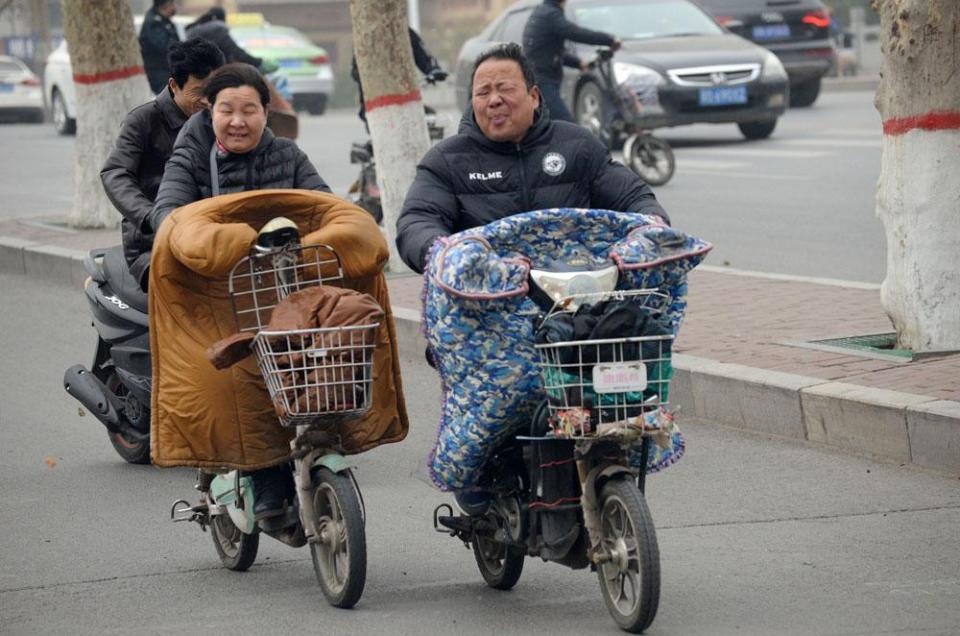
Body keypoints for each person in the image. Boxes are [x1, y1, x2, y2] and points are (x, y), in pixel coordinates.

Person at [149, 62, 330, 520]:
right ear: (209, 113)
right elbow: (168, 216)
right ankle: (266, 480)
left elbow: (325, 205)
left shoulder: (289, 156)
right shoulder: (189, 158)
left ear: (266, 113)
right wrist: (216, 242)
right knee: (244, 376)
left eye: (249, 109)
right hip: (215, 294)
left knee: (327, 355)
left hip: (283, 288)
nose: (238, 120)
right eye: (226, 110)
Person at [396, 42, 668, 275]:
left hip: (580, 288)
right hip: (487, 301)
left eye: (504, 88)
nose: (494, 100)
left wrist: (650, 226)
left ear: (534, 96)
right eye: (482, 93)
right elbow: (417, 222)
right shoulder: (447, 160)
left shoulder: (577, 144)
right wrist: (445, 253)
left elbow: (634, 198)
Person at [100, 39, 226, 289]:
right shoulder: (143, 120)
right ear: (173, 85)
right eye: (198, 92)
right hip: (153, 244)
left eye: (213, 93)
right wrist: (152, 217)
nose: (206, 101)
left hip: (211, 239)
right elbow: (115, 173)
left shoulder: (223, 120)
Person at [521, 0, 620, 122]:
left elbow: (550, 50)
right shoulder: (550, 15)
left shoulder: (544, 11)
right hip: (543, 81)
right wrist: (609, 40)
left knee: (549, 125)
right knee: (567, 125)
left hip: (541, 78)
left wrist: (578, 63)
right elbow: (575, 33)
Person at [350, 27, 446, 126]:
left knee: (429, 118)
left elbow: (423, 56)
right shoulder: (366, 36)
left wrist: (433, 70)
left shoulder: (404, 32)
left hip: (406, 102)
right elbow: (355, 70)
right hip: (376, 105)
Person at [185, 7, 263, 69]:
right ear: (223, 18)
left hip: (196, 68)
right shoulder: (217, 29)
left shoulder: (198, 28)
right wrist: (257, 62)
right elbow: (235, 51)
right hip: (209, 71)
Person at [139, 0, 182, 94]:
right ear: (165, 5)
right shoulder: (153, 23)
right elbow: (166, 47)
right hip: (158, 73)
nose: (174, 7)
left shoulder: (164, 21)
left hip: (168, 72)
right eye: (172, 3)